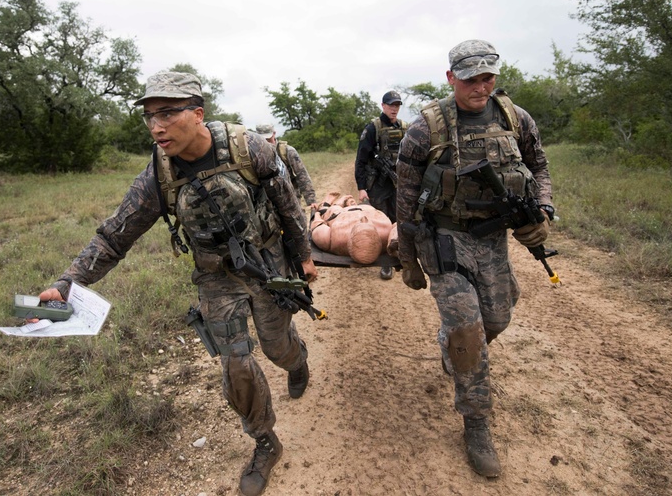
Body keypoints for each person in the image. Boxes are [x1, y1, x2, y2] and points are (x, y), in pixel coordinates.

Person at [33, 71, 319, 496]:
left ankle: (297, 362)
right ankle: (264, 441)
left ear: (198, 113)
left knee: (278, 347)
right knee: (235, 364)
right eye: (149, 116)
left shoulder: (247, 147)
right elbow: (116, 233)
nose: (156, 126)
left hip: (267, 263)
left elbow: (287, 203)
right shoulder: (157, 174)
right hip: (214, 278)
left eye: (167, 113)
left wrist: (304, 258)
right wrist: (68, 281)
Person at [394, 40, 554, 478]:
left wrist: (543, 208)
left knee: (495, 321)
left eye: (488, 77)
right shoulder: (424, 129)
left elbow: (539, 167)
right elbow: (406, 204)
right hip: (443, 238)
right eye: (470, 78)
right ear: (451, 78)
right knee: (467, 331)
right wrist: (408, 261)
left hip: (493, 240)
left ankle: (454, 348)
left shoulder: (514, 117)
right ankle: (476, 421)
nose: (480, 86)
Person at [354, 89, 407, 279]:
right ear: (383, 106)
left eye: (397, 105)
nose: (394, 109)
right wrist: (361, 188)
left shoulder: (403, 128)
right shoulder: (372, 128)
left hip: (398, 181)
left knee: (399, 219)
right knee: (381, 221)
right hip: (378, 183)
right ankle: (385, 264)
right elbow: (361, 159)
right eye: (391, 105)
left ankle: (399, 255)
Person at [254, 123, 317, 210]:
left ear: (274, 133)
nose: (266, 142)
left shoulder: (287, 151)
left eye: (268, 138)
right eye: (263, 139)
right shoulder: (256, 155)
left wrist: (311, 200)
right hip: (268, 201)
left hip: (291, 197)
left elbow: (302, 175)